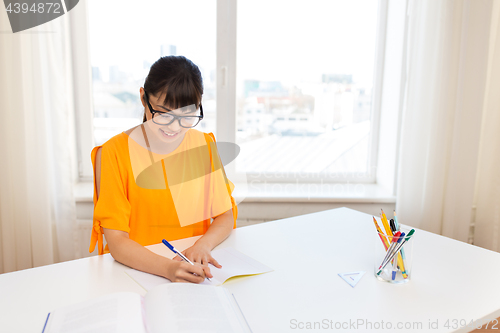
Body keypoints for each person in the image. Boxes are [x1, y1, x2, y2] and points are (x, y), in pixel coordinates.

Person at [89, 56, 238, 284]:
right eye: (163, 114)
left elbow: (225, 215)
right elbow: (117, 240)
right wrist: (168, 269)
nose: (174, 127)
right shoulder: (113, 153)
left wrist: (202, 246)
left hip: (196, 272)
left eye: (187, 116)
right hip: (137, 274)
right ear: (143, 98)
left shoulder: (204, 145)